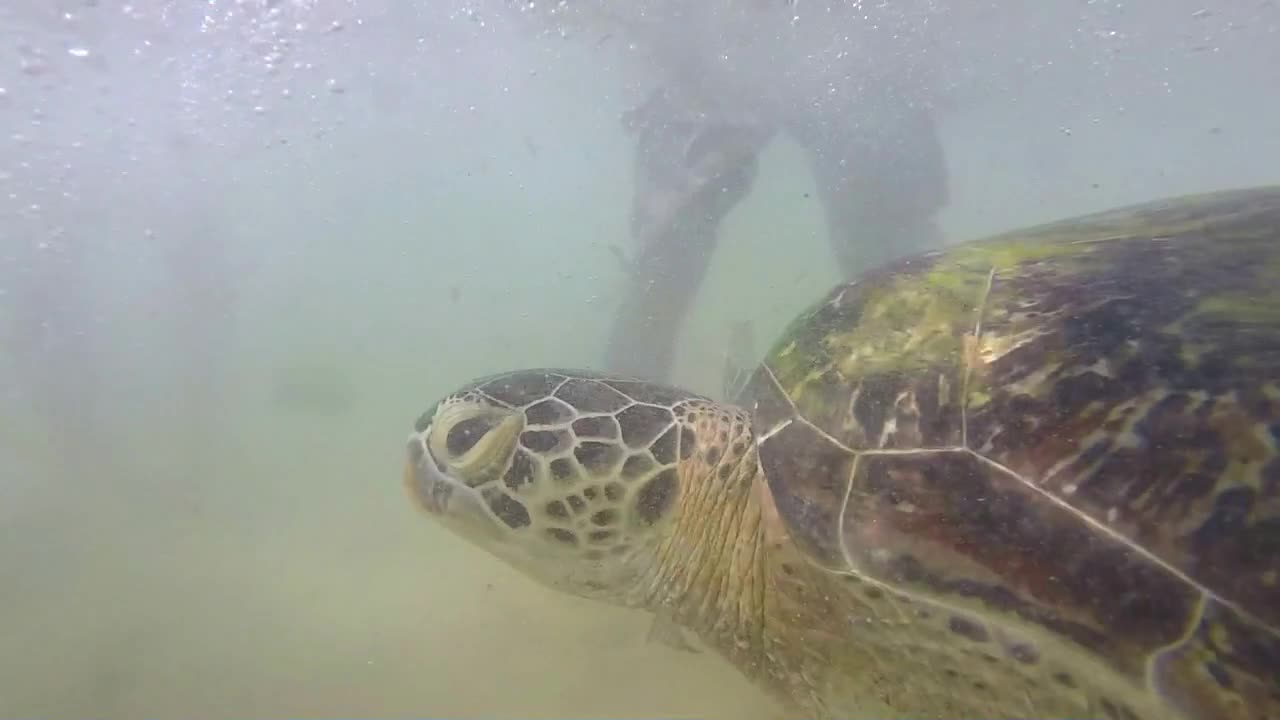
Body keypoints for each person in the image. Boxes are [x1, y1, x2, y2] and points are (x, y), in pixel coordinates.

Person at [593, 2, 950, 382]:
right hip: (717, 34)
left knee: (891, 247)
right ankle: (626, 412)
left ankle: (936, 393)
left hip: (835, 32)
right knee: (668, 245)